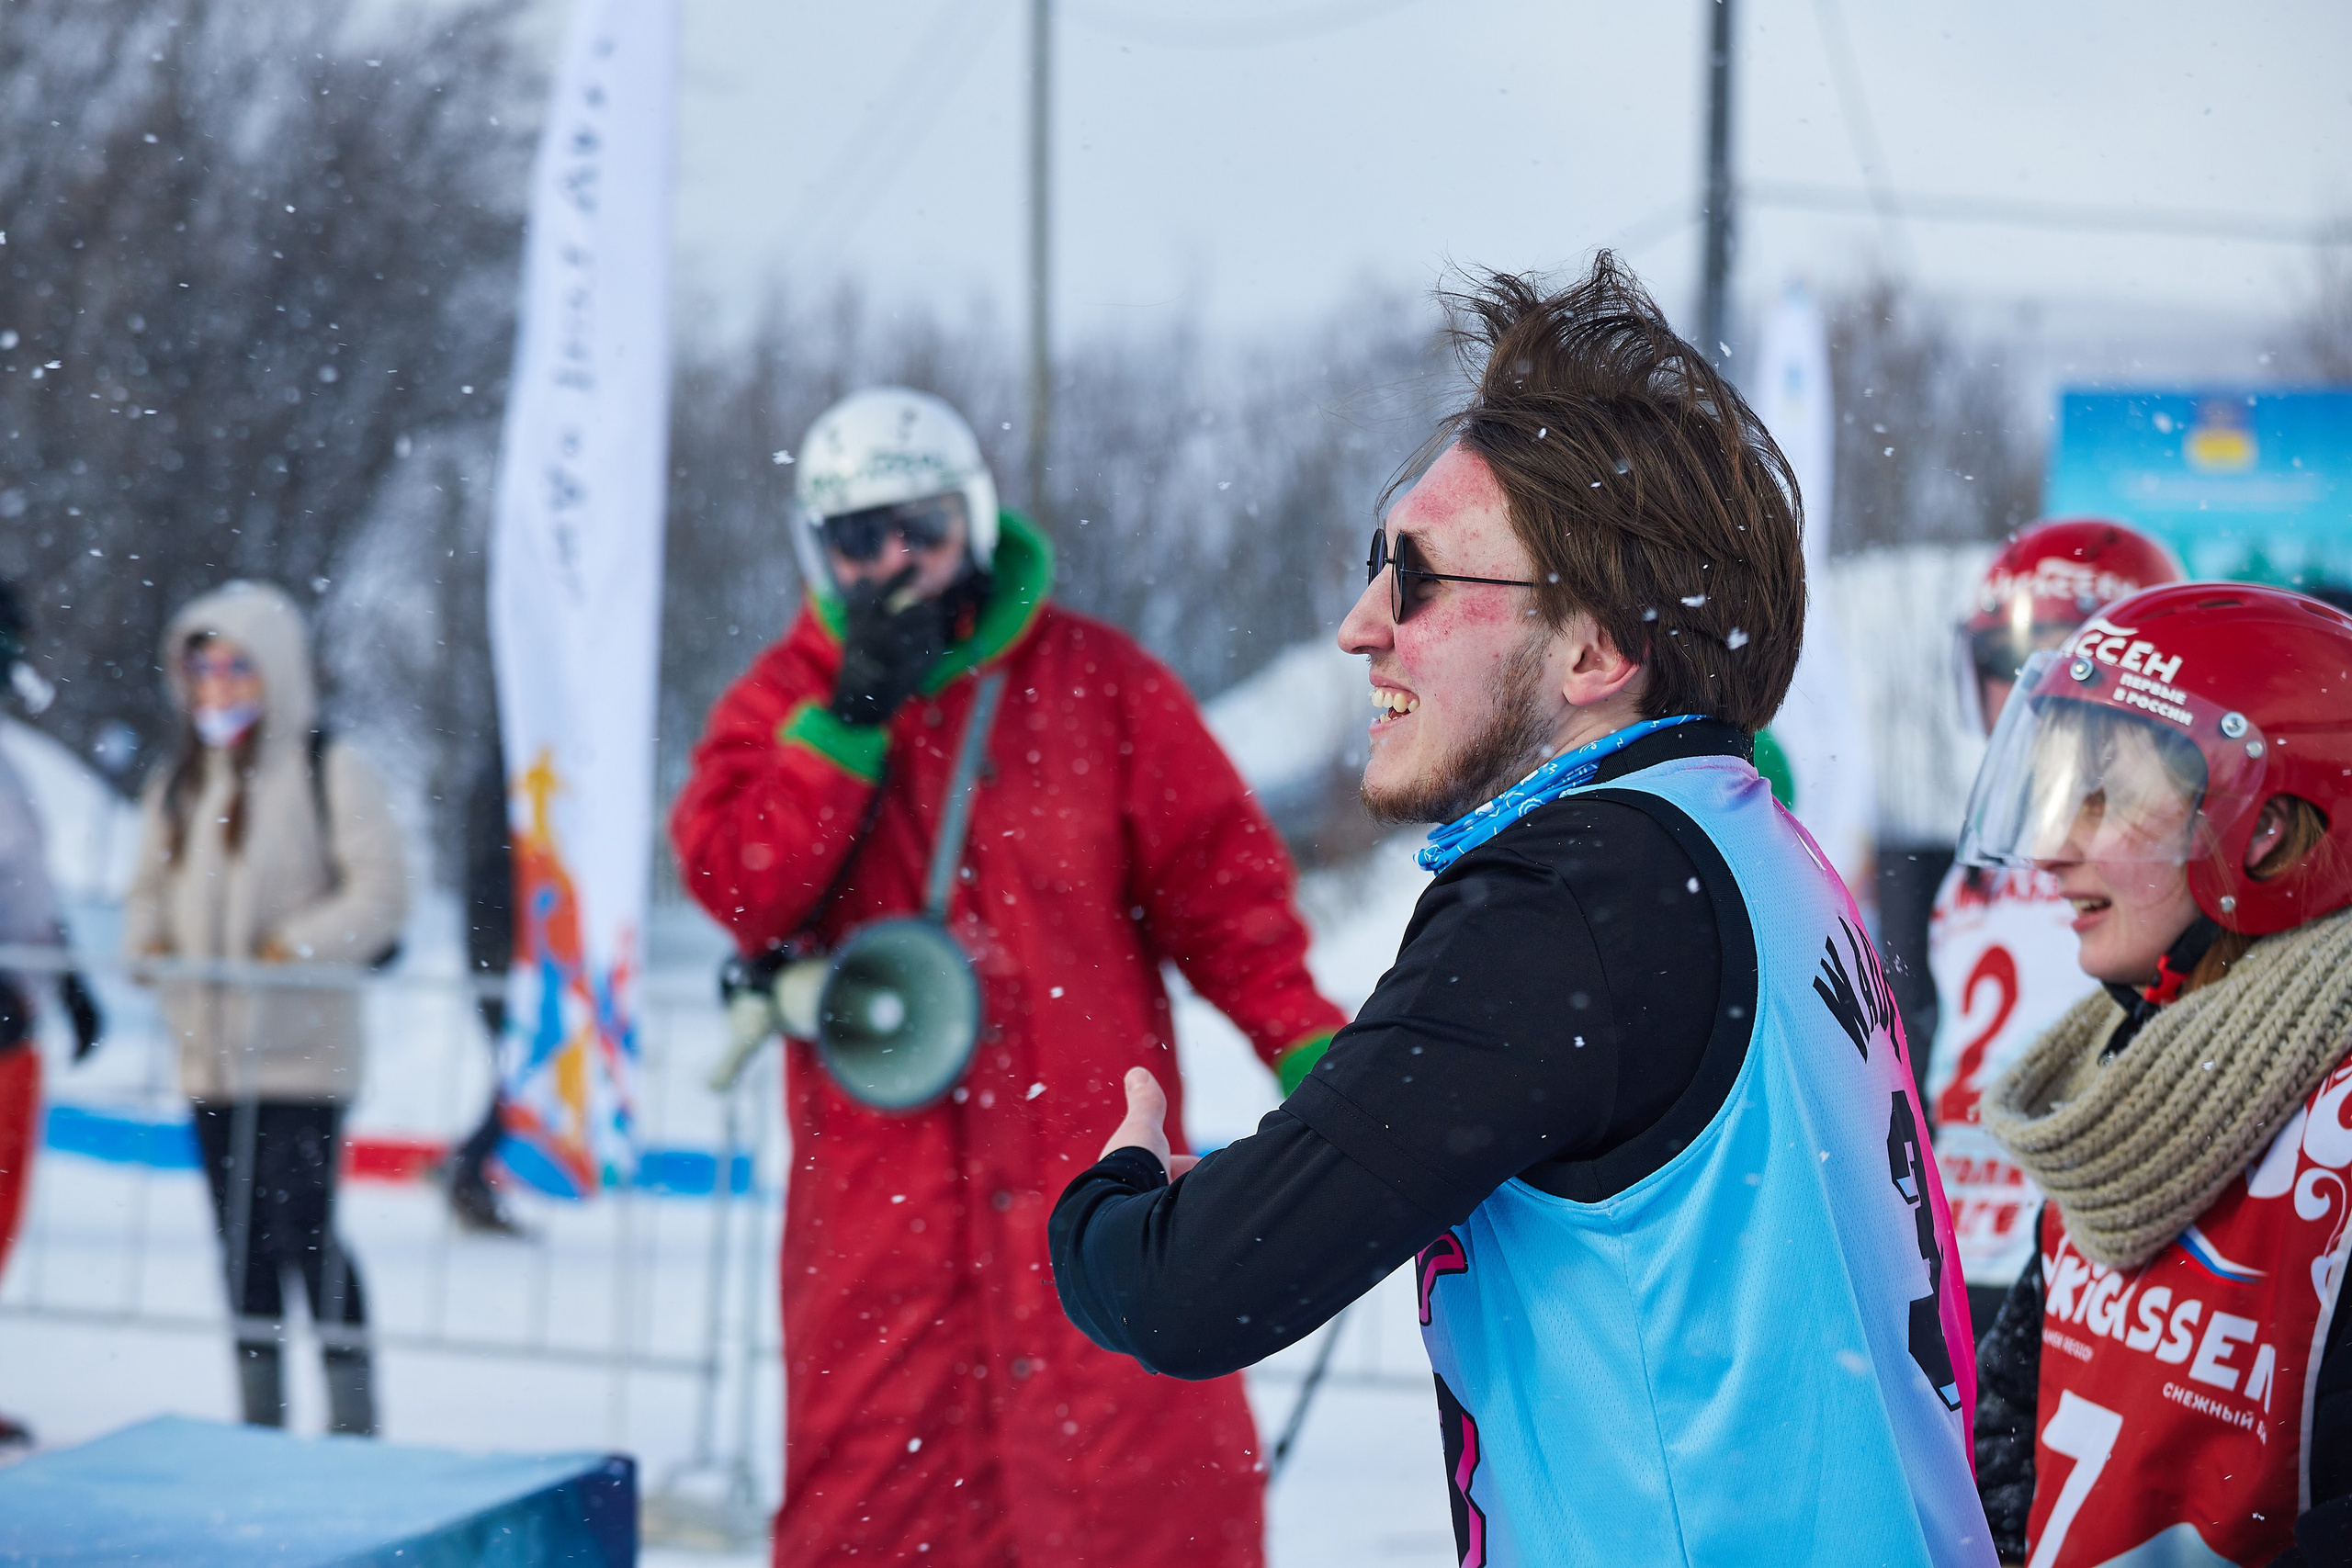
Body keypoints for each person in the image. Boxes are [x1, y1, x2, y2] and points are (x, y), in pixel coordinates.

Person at [1050, 255, 1989, 1566]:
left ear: (1593, 653)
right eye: (1377, 564)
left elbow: (1182, 1288)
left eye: (1419, 577)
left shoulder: (1574, 896)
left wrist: (1113, 1193)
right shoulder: (1744, 839)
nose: (1360, 624)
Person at [669, 387, 1347, 1567]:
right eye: (857, 538)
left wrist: (1306, 1045)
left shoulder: (1100, 685)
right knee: (882, 1506)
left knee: (1143, 1499)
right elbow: (738, 881)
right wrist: (846, 729)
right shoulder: (784, 702)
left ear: (973, 520)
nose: (896, 561)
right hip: (883, 1220)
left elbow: (1221, 887)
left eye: (921, 526)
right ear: (817, 551)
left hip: (1090, 1177)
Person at [1966, 582, 2352, 1566]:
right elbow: (2019, 1418)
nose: (2050, 852)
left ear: (2261, 830)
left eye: (2105, 798)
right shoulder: (2129, 1070)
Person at [121, 581, 406, 1436]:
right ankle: (258, 1421)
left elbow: (382, 893)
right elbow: (146, 890)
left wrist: (296, 945)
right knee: (240, 1247)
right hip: (210, 1056)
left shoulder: (328, 769)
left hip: (299, 1056)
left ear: (274, 671)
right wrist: (152, 947)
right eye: (203, 671)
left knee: (308, 1236)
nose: (219, 690)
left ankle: (352, 1420)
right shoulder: (179, 782)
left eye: (237, 670)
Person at [1924, 521, 2182, 1337]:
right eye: (2002, 661)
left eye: (2064, 663)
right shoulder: (1966, 863)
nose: (2025, 692)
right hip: (1950, 1259)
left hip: (2087, 1259)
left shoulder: (2169, 867)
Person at [0, 579, 102, 1450]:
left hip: (14, 1024)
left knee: (1, 1214)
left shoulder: (9, 768)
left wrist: (66, 977)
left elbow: (25, 884)